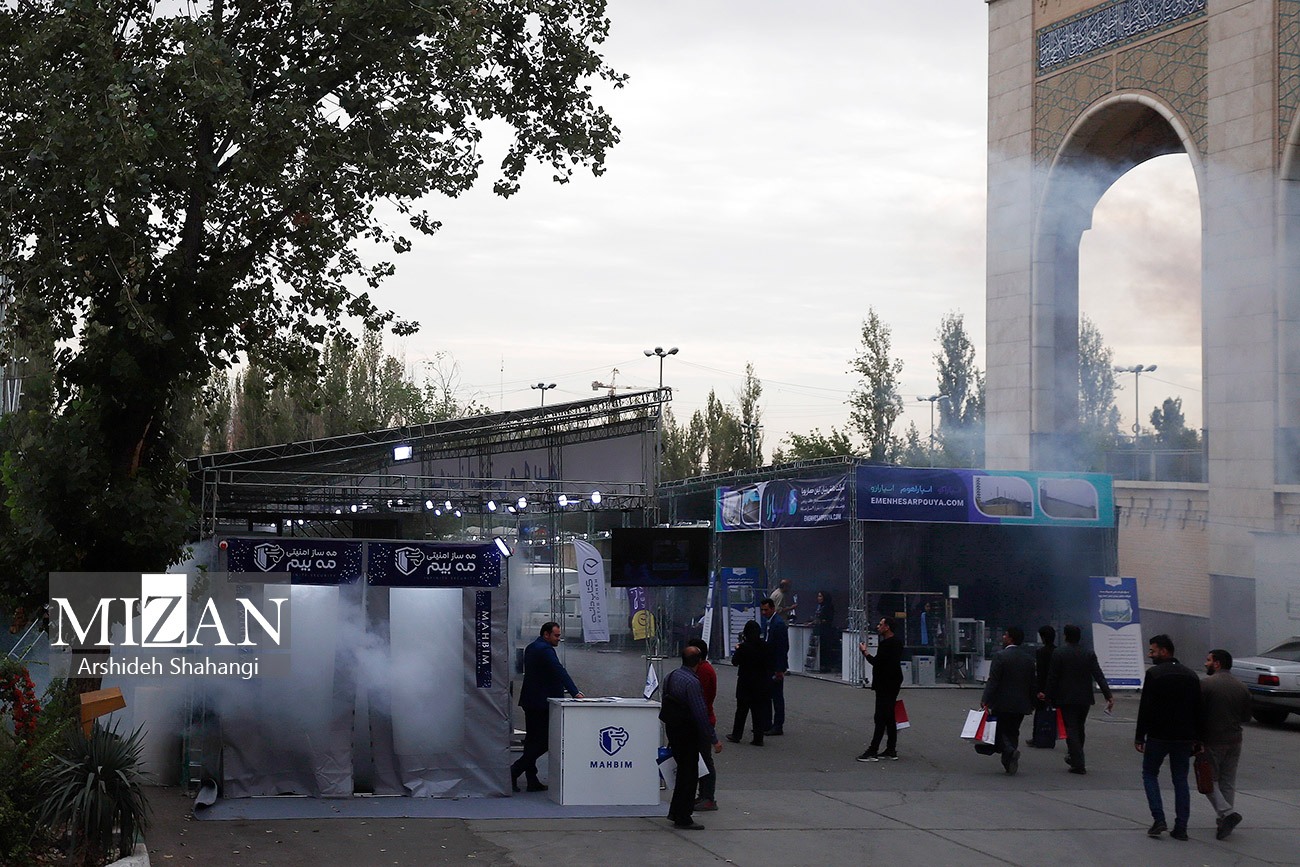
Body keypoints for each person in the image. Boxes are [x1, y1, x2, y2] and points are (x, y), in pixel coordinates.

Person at [1135, 633, 1202, 841]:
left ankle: (1159, 819)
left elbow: (1145, 707)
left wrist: (1139, 736)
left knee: (1149, 773)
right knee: (1180, 779)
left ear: (1164, 651)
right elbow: (1198, 709)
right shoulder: (1192, 675)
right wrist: (1198, 738)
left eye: (1153, 651)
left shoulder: (1154, 674)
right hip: (1184, 737)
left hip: (1158, 735)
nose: (1150, 655)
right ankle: (1181, 827)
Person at [511, 621, 583, 793]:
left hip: (530, 701)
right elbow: (559, 670)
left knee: (531, 742)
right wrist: (575, 692)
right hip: (541, 703)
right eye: (556, 635)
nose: (559, 638)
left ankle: (532, 779)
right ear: (546, 634)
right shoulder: (545, 650)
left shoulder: (531, 647)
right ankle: (513, 771)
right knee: (545, 742)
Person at [660, 645, 723, 830]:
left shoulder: (671, 676)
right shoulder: (692, 683)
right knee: (689, 775)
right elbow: (700, 713)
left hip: (673, 729)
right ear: (699, 661)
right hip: (687, 733)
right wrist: (714, 739)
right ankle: (683, 817)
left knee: (682, 773)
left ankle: (676, 811)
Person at [1046, 624, 1114, 773]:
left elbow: (1053, 677)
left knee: (1071, 728)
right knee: (1079, 726)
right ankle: (1075, 755)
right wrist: (1108, 695)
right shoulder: (1088, 653)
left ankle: (1078, 762)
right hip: (1084, 698)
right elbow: (1098, 675)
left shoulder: (1059, 653)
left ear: (1065, 636)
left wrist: (1048, 696)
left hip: (1066, 697)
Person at [1200, 648, 1252, 839]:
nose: (1205, 663)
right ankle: (1223, 821)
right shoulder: (1242, 687)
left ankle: (1227, 813)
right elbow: (1246, 716)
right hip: (1235, 739)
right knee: (1227, 782)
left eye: (1208, 660)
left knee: (1207, 781)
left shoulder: (1206, 685)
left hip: (1212, 740)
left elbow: (1198, 713)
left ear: (1217, 663)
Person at [980, 626, 1037, 775]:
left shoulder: (1000, 656)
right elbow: (1032, 683)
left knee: (999, 729)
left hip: (1002, 702)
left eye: (1005, 635)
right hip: (1021, 703)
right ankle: (1009, 760)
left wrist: (985, 699)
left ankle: (1009, 751)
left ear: (1011, 638)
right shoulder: (1029, 659)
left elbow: (994, 681)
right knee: (1013, 730)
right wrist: (1032, 702)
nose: (1003, 637)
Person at [857, 616, 903, 761]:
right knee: (889, 716)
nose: (878, 626)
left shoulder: (886, 644)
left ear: (887, 627)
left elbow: (877, 662)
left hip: (885, 683)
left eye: (881, 624)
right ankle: (891, 749)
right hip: (893, 681)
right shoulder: (897, 642)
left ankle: (873, 749)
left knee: (881, 716)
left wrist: (865, 652)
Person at [687, 638, 719, 811]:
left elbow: (701, 699)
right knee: (700, 759)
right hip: (701, 719)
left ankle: (708, 796)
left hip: (703, 720)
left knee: (705, 759)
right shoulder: (701, 669)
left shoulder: (704, 671)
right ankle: (703, 794)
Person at [727, 620, 772, 745]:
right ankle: (758, 738)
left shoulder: (743, 647)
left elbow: (735, 662)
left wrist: (737, 649)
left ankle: (736, 735)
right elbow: (769, 663)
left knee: (741, 710)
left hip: (745, 682)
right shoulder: (765, 646)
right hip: (761, 682)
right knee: (758, 711)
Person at [759, 598, 789, 735]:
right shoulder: (769, 622)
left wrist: (779, 669)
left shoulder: (779, 624)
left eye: (766, 610)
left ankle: (778, 725)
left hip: (775, 666)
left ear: (772, 609)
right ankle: (767, 723)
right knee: (767, 695)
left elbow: (782, 648)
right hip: (768, 664)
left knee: (777, 697)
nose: (763, 612)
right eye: (762, 610)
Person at [1029, 624, 1057, 748]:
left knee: (1040, 712)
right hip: (1055, 686)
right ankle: (1051, 736)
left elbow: (1041, 673)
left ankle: (1037, 737)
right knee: (1052, 713)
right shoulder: (1058, 651)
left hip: (1043, 686)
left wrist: (1039, 689)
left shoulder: (1041, 652)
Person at [812, 591, 838, 672]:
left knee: (825, 648)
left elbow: (828, 619)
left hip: (825, 630)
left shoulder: (828, 607)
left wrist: (820, 621)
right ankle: (820, 665)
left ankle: (826, 666)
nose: (818, 598)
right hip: (819, 630)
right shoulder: (819, 606)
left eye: (820, 596)